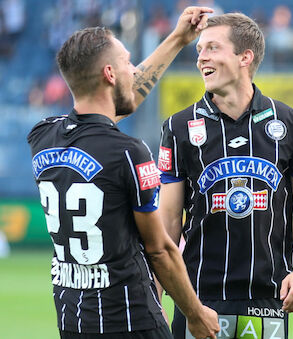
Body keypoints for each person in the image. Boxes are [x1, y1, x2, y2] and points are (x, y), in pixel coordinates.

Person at [27, 6, 220, 339]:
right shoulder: (129, 153)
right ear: (110, 74)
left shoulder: (42, 137)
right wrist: (196, 313)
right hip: (132, 322)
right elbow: (159, 249)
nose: (134, 69)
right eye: (128, 62)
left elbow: (106, 114)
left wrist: (176, 39)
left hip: (73, 321)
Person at [157, 13, 293, 339]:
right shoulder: (178, 128)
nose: (201, 56)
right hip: (197, 299)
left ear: (245, 57)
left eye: (213, 48)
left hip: (268, 298)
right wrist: (157, 290)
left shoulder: (291, 123)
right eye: (200, 49)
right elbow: (169, 220)